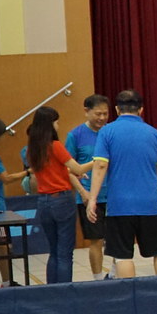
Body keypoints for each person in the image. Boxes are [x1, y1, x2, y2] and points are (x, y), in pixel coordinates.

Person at [87, 90, 157, 278]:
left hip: (119, 206)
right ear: (141, 110)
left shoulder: (106, 132)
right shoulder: (154, 133)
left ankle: (130, 301)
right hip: (150, 204)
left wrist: (92, 199)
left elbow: (100, 165)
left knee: (122, 256)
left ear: (117, 109)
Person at [27, 106, 93, 283]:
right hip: (62, 200)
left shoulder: (32, 149)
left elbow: (54, 171)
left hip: (43, 201)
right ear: (50, 124)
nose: (58, 125)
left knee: (54, 251)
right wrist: (97, 161)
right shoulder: (55, 145)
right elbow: (77, 167)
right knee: (65, 253)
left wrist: (71, 173)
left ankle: (52, 290)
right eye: (56, 122)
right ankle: (65, 292)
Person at [66, 94, 112, 280]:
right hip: (88, 197)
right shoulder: (75, 135)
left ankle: (116, 274)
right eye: (98, 114)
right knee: (96, 240)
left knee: (118, 239)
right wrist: (83, 192)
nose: (102, 118)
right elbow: (68, 169)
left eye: (105, 114)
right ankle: (98, 279)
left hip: (114, 196)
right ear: (86, 111)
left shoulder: (111, 132)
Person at [0, 116, 30, 287]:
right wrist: (27, 172)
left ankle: (6, 281)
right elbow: (5, 178)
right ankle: (6, 281)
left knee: (2, 245)